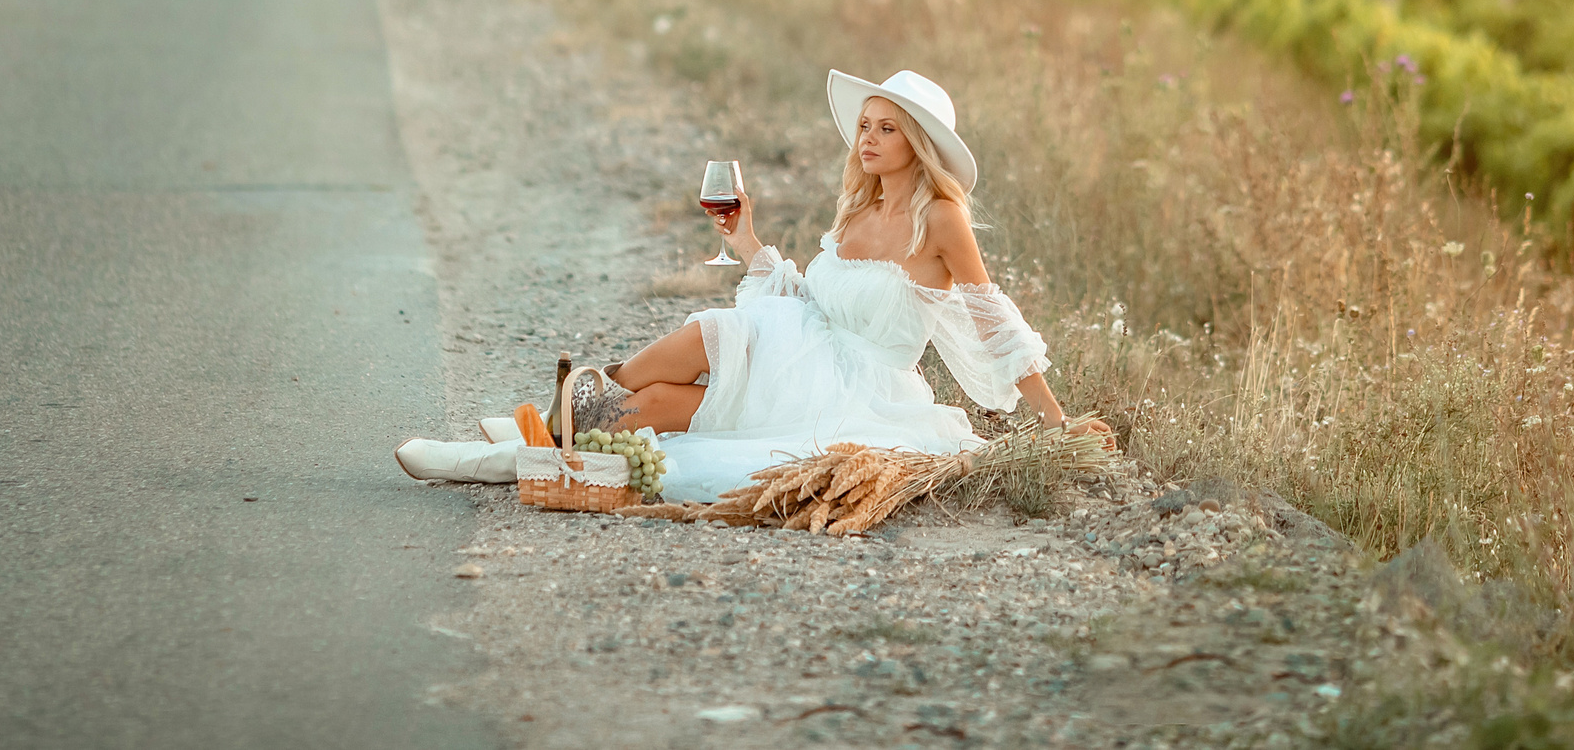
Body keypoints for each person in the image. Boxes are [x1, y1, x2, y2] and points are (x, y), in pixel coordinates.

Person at [394, 68, 1111, 501]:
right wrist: (746, 240)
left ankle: (503, 455)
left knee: (667, 396)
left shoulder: (942, 220)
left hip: (853, 388)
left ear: (918, 144)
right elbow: (814, 302)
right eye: (865, 125)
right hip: (804, 346)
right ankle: (557, 423)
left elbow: (993, 318)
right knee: (691, 348)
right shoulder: (859, 208)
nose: (867, 138)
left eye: (887, 129)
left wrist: (1056, 421)